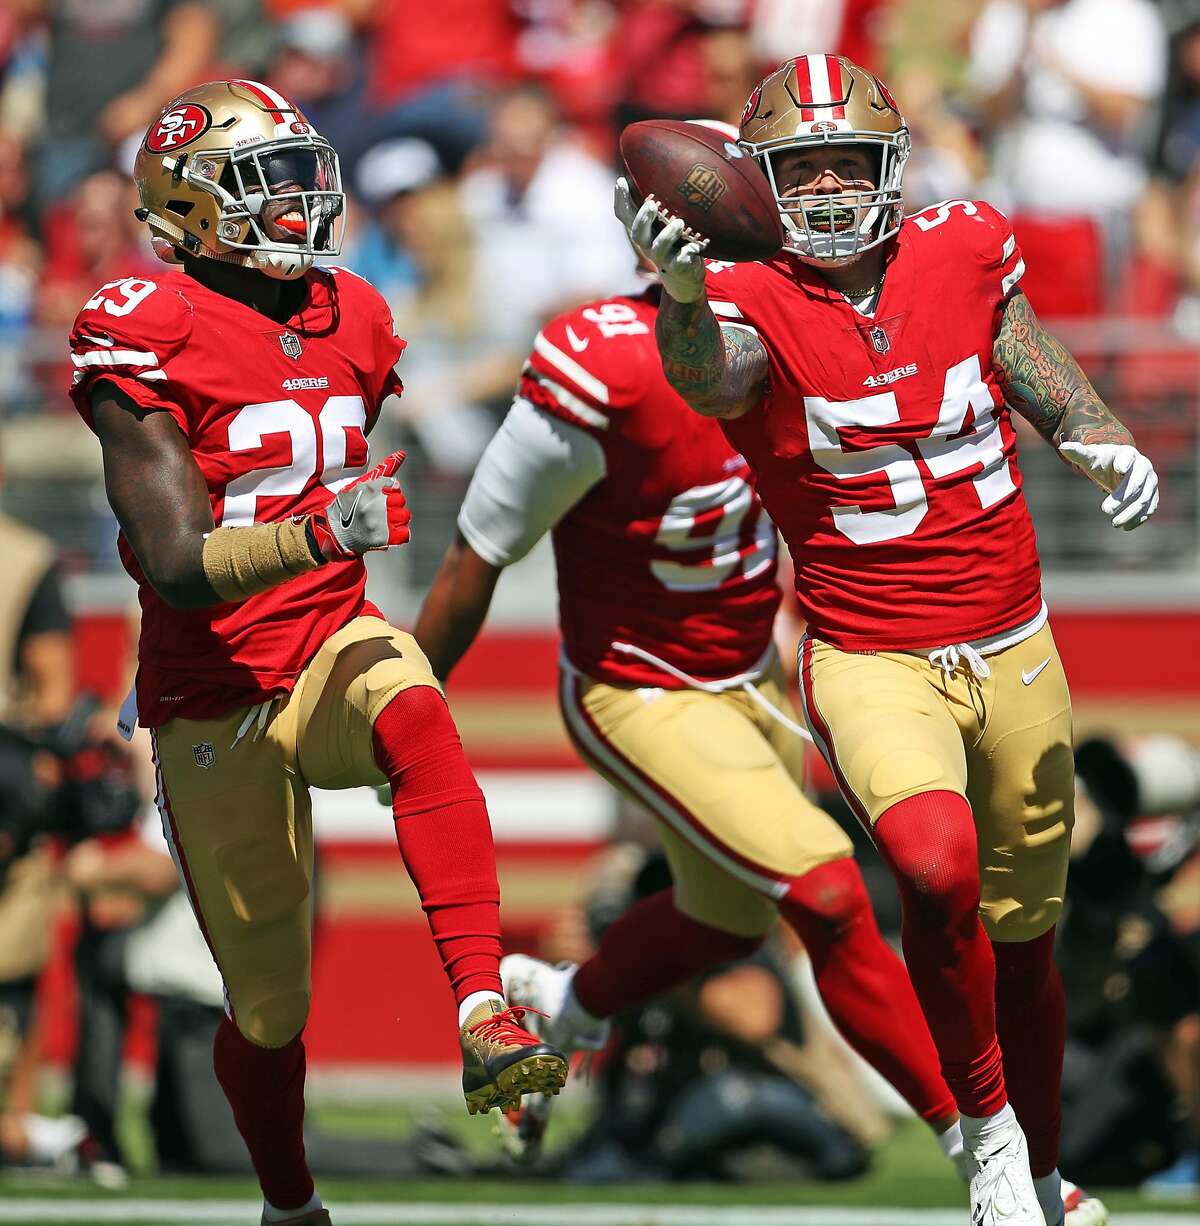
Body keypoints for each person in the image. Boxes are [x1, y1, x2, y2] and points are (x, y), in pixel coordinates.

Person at [615, 54, 1162, 1225]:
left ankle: (1045, 1169)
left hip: (1014, 641)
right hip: (873, 653)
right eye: (796, 169)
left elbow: (1023, 350)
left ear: (891, 165)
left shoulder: (964, 242)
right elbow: (713, 386)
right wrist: (678, 297)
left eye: (841, 163)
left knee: (1026, 942)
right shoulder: (745, 297)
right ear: (756, 184)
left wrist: (1096, 432)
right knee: (930, 862)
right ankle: (989, 1134)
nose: (819, 190)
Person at [415, 121, 966, 1178]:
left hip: (753, 663)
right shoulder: (603, 364)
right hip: (643, 685)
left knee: (724, 919)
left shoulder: (803, 327)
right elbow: (475, 556)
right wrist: (399, 712)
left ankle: (565, 1002)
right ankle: (982, 1142)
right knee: (828, 890)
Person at [66, 80, 566, 1226]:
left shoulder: (351, 309)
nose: (297, 202)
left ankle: (484, 1005)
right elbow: (175, 559)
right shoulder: (144, 321)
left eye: (300, 176)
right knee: (269, 1009)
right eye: (262, 183)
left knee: (417, 712)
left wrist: (325, 552)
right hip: (213, 692)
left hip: (331, 638)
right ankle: (290, 1203)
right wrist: (315, 530)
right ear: (186, 207)